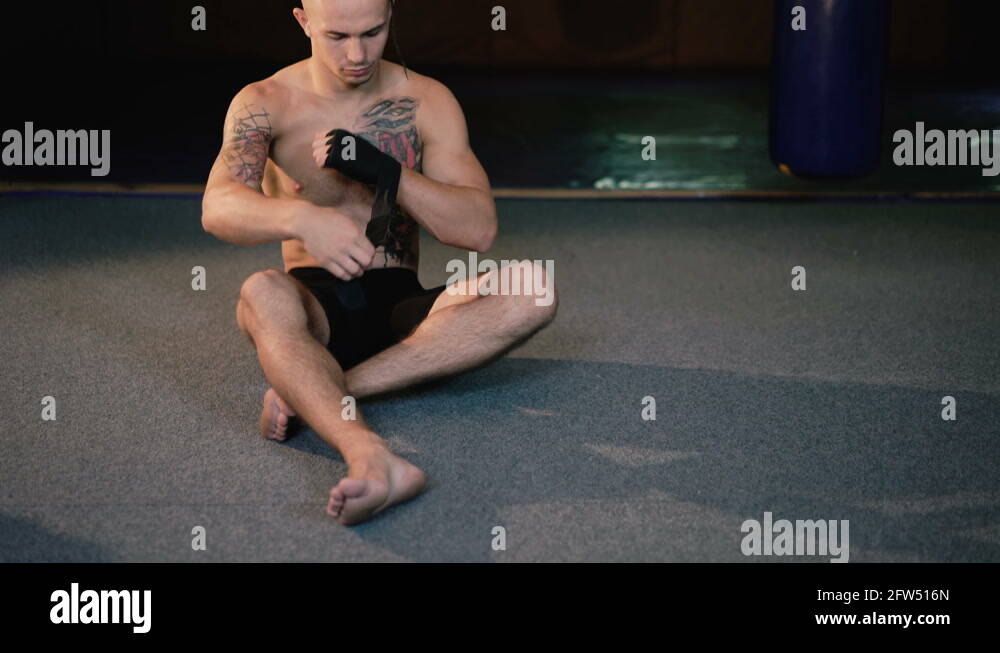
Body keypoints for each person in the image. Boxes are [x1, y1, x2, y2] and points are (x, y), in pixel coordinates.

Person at [201, 0, 558, 526]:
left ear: (391, 13)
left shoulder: (427, 99)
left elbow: (476, 228)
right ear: (303, 22)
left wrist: (388, 171)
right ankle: (368, 455)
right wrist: (301, 218)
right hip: (316, 309)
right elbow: (219, 207)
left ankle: (317, 388)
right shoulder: (265, 102)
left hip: (405, 307)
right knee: (261, 292)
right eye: (337, 36)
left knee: (536, 288)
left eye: (374, 32)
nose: (358, 53)